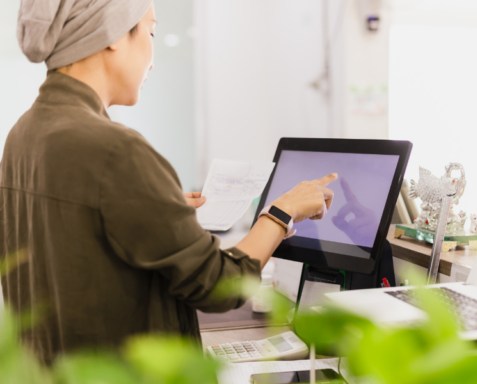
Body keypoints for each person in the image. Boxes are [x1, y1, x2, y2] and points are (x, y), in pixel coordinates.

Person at [1, 0, 336, 364]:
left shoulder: (23, 133)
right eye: (151, 32)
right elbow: (220, 285)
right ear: (113, 34)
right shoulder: (115, 151)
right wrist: (281, 213)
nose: (153, 59)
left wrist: (149, 205)